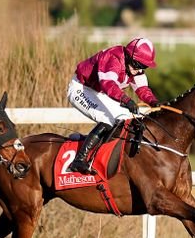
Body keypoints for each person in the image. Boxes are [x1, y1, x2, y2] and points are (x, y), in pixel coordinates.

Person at [67, 37, 161, 175]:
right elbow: (108, 85)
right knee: (108, 120)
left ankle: (89, 143)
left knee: (128, 119)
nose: (139, 70)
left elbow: (142, 89)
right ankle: (79, 160)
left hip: (100, 93)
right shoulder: (113, 58)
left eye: (143, 66)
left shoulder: (136, 68)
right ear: (129, 56)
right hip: (81, 88)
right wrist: (126, 100)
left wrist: (154, 102)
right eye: (137, 64)